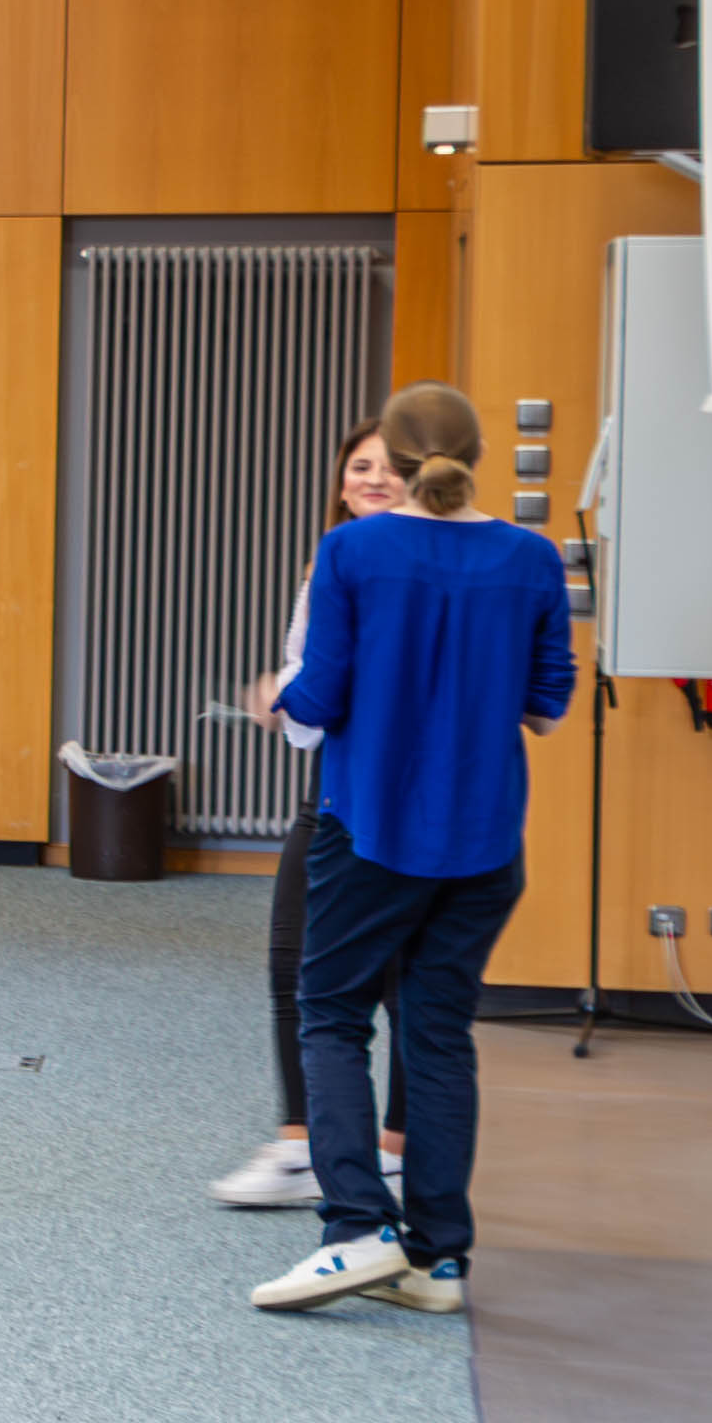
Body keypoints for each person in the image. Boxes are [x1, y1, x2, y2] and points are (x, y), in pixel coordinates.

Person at [255, 381, 579, 1318]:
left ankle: (355, 1229)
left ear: (392, 462)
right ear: (473, 454)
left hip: (372, 833)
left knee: (329, 1014)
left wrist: (273, 700)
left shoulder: (353, 550)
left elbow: (320, 697)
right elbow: (546, 704)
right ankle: (439, 1260)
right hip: (484, 844)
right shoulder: (530, 557)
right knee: (438, 1035)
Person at [216, 433, 417, 1212]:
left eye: (391, 468)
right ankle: (298, 1145)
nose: (373, 478)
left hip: (399, 790)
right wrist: (287, 695)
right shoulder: (328, 557)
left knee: (401, 975)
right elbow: (310, 668)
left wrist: (296, 696)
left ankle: (396, 1150)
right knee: (291, 957)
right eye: (360, 466)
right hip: (330, 782)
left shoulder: (436, 561)